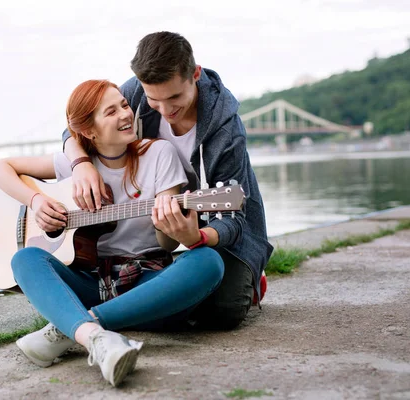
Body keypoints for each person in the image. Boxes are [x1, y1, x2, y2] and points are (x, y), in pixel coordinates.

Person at [0, 79, 224, 386]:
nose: (126, 115)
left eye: (124, 105)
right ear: (89, 131)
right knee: (25, 259)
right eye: (111, 112)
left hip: (146, 287)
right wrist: (36, 200)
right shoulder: (72, 165)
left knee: (208, 262)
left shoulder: (159, 154)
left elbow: (167, 244)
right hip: (90, 281)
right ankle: (97, 338)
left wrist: (170, 225)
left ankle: (74, 327)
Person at [63, 32, 274, 330]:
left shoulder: (227, 129)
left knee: (223, 313)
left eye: (175, 97)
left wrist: (197, 238)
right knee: (179, 307)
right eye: (154, 100)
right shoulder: (135, 92)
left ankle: (250, 277)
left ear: (195, 74)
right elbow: (75, 128)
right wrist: (81, 163)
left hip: (219, 226)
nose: (165, 110)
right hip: (158, 234)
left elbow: (234, 221)